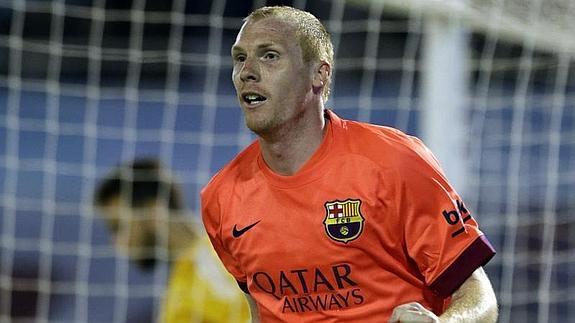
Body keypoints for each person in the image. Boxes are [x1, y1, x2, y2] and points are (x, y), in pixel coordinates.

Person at [200, 5, 498, 323]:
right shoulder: (222, 198)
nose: (247, 71)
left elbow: (479, 297)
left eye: (269, 55)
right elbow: (260, 312)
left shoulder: (395, 162)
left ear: (320, 73)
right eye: (240, 57)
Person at [94, 158, 250, 323]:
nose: (116, 242)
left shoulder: (214, 261)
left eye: (118, 226)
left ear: (153, 209)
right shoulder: (179, 287)